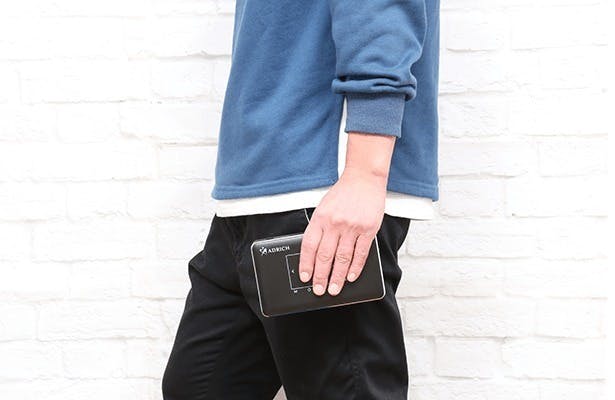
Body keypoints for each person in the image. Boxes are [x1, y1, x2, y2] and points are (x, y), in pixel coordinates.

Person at [162, 0, 440, 398]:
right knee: (198, 387)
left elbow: (382, 18)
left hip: (321, 189)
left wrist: (365, 174)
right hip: (254, 191)